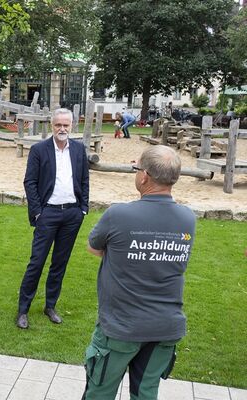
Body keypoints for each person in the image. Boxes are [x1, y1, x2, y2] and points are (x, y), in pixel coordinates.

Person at [83, 145, 196, 400]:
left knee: (99, 393)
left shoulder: (119, 214)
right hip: (165, 327)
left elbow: (93, 247)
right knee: (146, 394)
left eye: (136, 169)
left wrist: (124, 255)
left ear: (144, 176)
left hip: (121, 327)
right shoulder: (187, 218)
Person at [16, 108, 89, 329]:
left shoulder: (78, 149)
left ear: (72, 126)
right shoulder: (39, 150)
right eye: (58, 125)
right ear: (51, 125)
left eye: (66, 125)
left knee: (60, 263)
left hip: (72, 214)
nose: (62, 129)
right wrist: (38, 212)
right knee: (36, 262)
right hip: (47, 213)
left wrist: (83, 208)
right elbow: (30, 182)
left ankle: (50, 306)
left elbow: (85, 180)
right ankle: (23, 310)